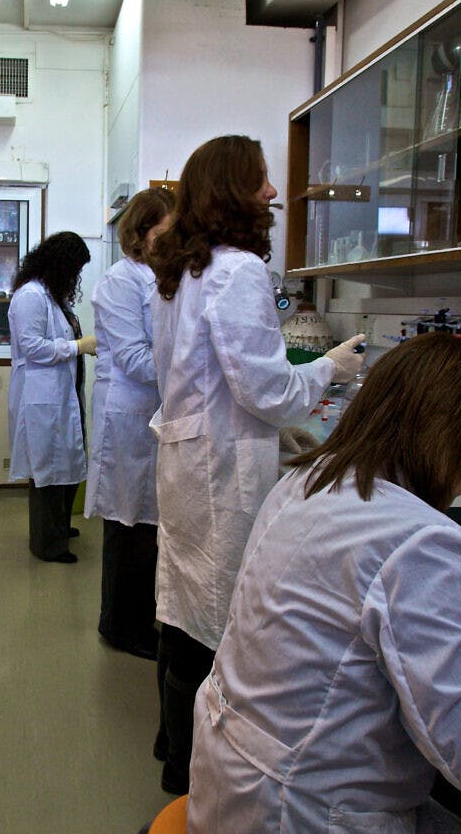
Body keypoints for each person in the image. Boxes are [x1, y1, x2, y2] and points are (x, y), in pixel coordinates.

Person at [187, 333, 461, 834]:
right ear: (450, 438)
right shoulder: (420, 538)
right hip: (308, 810)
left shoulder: (309, 479)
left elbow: (353, 594)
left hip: (234, 779)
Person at [147, 135, 365, 794]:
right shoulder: (238, 270)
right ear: (235, 190)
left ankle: (172, 750)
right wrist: (333, 367)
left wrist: (281, 429)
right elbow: (265, 389)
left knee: (184, 607)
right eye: (263, 180)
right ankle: (195, 775)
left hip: (191, 457)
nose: (273, 193)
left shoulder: (183, 267)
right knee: (215, 617)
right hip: (221, 469)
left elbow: (194, 374)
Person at [84, 187, 175, 659]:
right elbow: (138, 360)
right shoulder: (121, 281)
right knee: (128, 522)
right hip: (130, 415)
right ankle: (120, 626)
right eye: (166, 230)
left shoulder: (162, 278)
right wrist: (193, 369)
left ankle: (136, 620)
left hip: (153, 414)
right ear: (141, 233)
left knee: (146, 525)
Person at [7, 231, 95, 564]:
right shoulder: (31, 296)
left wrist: (79, 347)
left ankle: (59, 527)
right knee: (47, 470)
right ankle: (47, 544)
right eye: (74, 269)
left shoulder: (54, 296)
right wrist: (78, 346)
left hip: (62, 393)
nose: (76, 277)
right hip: (41, 396)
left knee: (68, 463)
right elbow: (32, 347)